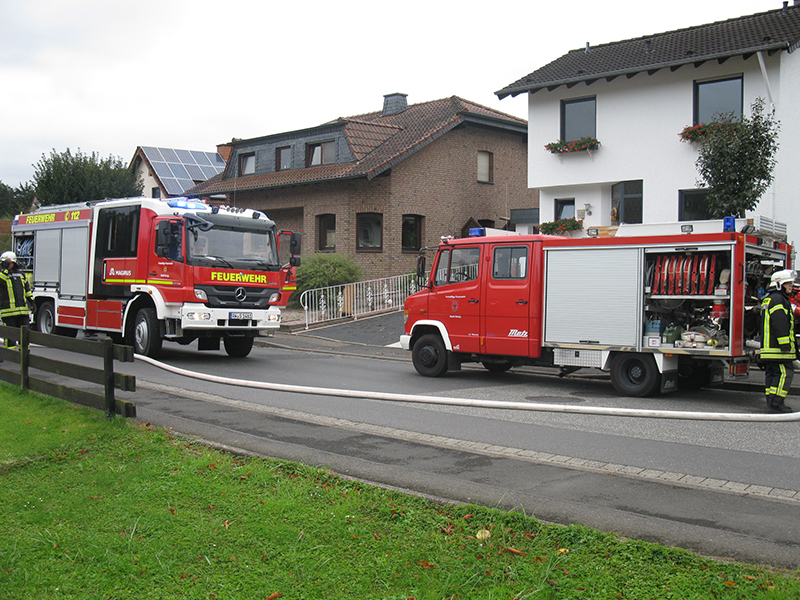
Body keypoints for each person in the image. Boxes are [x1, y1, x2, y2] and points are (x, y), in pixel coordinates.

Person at [760, 269, 796, 413]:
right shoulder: (778, 300)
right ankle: (777, 402)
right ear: (779, 283)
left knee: (773, 374)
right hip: (777, 348)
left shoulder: (769, 299)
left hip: (769, 348)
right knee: (785, 373)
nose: (791, 287)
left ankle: (771, 400)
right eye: (788, 284)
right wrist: (785, 344)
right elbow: (779, 323)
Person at [0, 251, 33, 348]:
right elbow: (2, 281)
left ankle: (25, 356)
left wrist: (31, 301)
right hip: (8, 313)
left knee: (25, 337)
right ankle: (11, 356)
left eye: (8, 263)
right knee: (10, 337)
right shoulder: (2, 275)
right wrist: (5, 270)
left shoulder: (21, 275)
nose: (7, 265)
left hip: (22, 313)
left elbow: (27, 290)